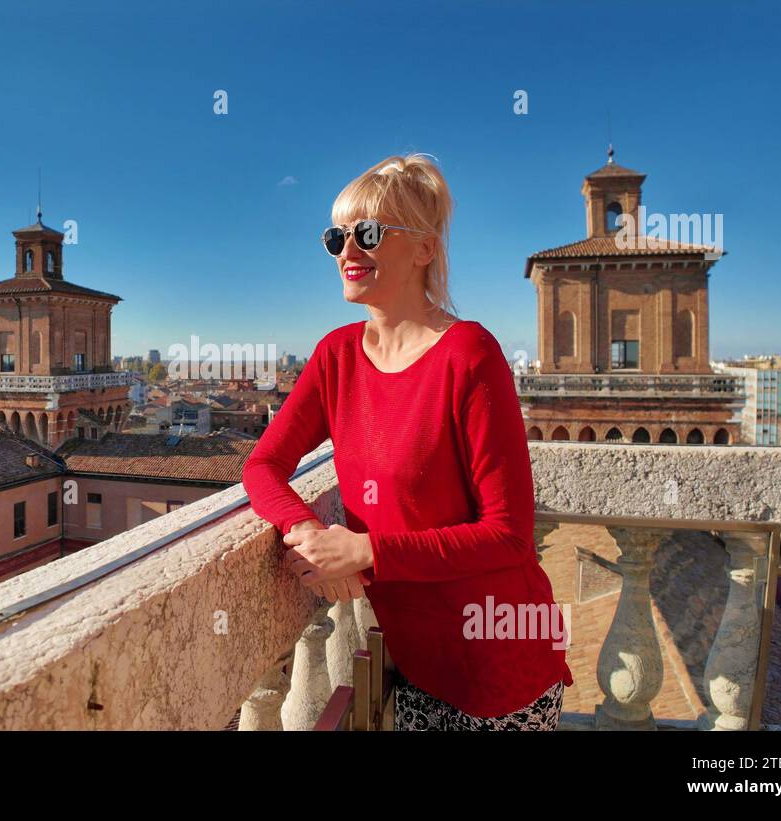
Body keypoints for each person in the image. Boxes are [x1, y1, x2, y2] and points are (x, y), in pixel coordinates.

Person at [241, 153, 572, 731]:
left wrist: (367, 552)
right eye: (336, 237)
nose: (347, 251)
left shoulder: (470, 354)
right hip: (417, 666)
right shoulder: (335, 357)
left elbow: (509, 536)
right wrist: (308, 531)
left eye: (367, 234)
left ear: (424, 249)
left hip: (500, 667)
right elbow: (264, 464)